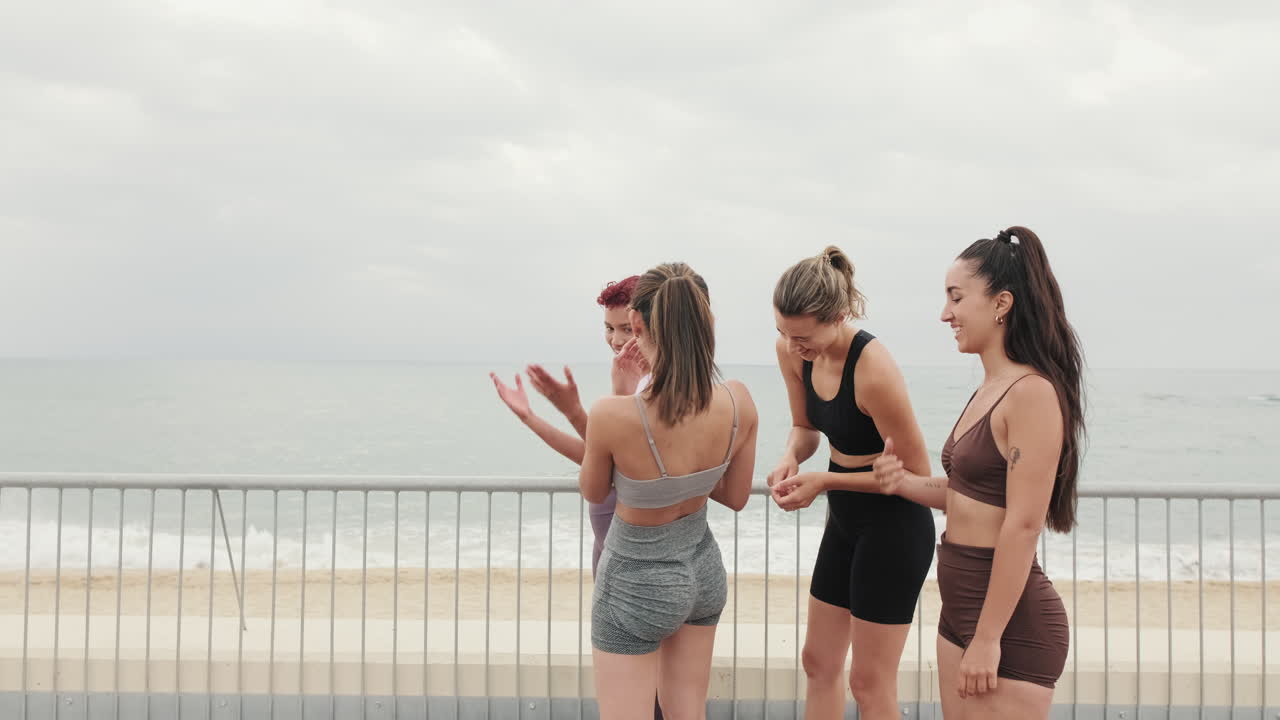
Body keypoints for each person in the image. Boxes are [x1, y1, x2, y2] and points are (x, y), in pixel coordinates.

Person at [874, 226, 1082, 719]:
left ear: (1001, 303)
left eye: (956, 297)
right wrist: (903, 483)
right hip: (960, 610)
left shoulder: (1031, 393)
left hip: (1010, 626)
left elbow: (1023, 523)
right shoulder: (990, 387)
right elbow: (972, 493)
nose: (945, 314)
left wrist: (988, 638)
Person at [579, 262, 758, 719]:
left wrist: (621, 395)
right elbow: (735, 497)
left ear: (636, 325)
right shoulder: (738, 399)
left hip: (635, 579)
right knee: (688, 712)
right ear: (705, 322)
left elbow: (594, 490)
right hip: (703, 568)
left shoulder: (612, 414)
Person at [768, 247, 935, 719]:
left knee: (868, 681)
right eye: (782, 331)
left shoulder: (873, 369)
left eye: (802, 336)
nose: (792, 346)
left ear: (839, 317)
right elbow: (804, 428)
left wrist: (824, 480)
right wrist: (790, 457)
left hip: (895, 525)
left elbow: (917, 475)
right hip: (844, 518)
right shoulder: (791, 351)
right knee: (818, 661)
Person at [490, 275, 648, 572]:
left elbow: (630, 464)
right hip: (607, 546)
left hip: (633, 552)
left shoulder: (654, 385)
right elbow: (597, 455)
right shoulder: (625, 375)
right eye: (609, 328)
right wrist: (529, 417)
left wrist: (573, 411)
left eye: (626, 329)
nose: (616, 340)